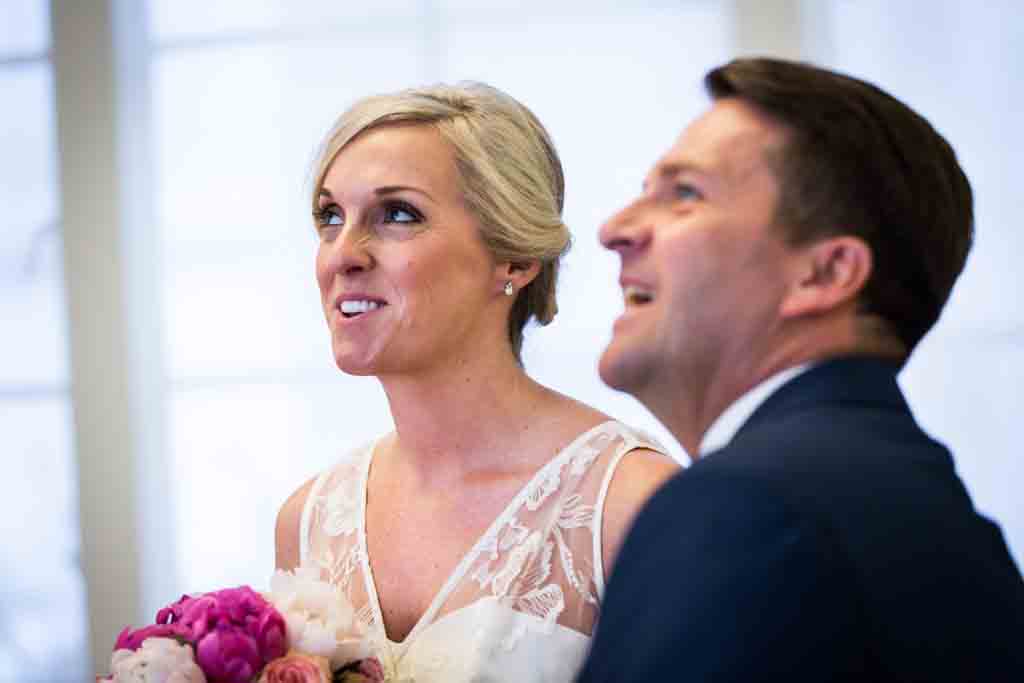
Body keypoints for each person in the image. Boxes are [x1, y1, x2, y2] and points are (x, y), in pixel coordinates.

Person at [577, 58, 1024, 682]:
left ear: (826, 274)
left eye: (684, 194)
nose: (615, 229)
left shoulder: (743, 507)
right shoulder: (934, 511)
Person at [274, 82, 679, 682]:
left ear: (512, 257)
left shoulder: (630, 504)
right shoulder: (306, 520)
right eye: (330, 217)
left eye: (397, 215)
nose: (341, 255)